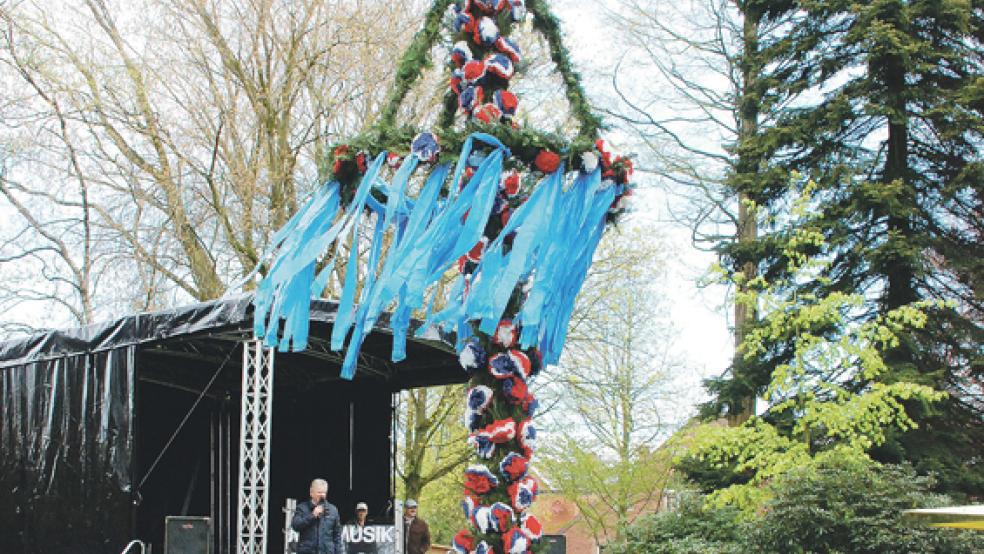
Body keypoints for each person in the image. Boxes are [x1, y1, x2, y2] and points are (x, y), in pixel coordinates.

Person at [292, 478, 343, 554]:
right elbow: (295, 526)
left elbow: (337, 535)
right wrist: (312, 515)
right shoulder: (302, 508)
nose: (322, 495)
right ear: (311, 492)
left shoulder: (333, 510)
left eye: (324, 493)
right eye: (319, 492)